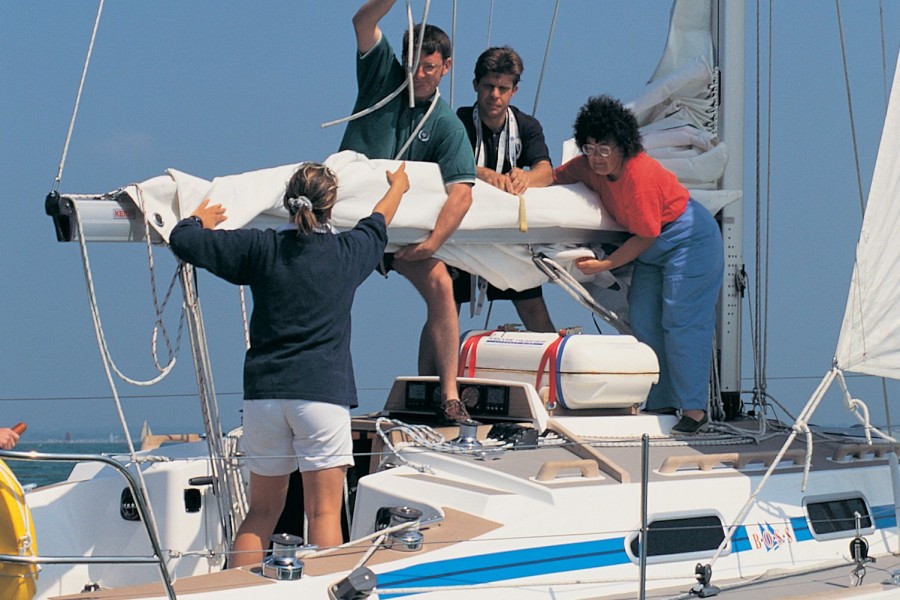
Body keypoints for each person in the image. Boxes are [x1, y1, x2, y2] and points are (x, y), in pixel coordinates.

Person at [170, 162, 410, 566]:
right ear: (331, 206)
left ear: (288, 202)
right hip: (321, 398)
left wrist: (199, 218)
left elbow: (183, 240)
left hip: (264, 397)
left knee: (261, 514)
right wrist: (399, 187)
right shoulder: (349, 253)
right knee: (323, 514)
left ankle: (238, 596)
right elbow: (379, 219)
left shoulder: (263, 248)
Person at [537, 95, 723, 434]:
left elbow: (646, 235)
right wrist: (514, 180)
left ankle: (695, 410)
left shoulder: (639, 175)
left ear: (622, 145)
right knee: (644, 322)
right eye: (590, 148)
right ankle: (661, 402)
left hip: (689, 238)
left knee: (681, 322)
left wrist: (605, 263)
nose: (596, 157)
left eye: (604, 148)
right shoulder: (588, 166)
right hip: (650, 247)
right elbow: (553, 177)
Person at [339, 0, 475, 423]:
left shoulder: (447, 123)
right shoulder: (381, 76)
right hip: (351, 225)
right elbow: (363, 20)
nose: (419, 74)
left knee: (442, 287)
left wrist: (432, 243)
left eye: (430, 67)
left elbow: (463, 193)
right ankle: (334, 392)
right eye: (414, 64)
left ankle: (449, 396)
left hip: (400, 236)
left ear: (446, 67)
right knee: (327, 289)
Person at [454, 46, 554, 332]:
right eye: (488, 86)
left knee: (534, 309)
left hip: (508, 239)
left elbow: (545, 171)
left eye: (502, 88)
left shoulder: (527, 126)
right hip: (461, 235)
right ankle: (429, 378)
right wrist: (481, 173)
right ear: (475, 85)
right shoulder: (456, 123)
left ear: (514, 91)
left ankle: (553, 375)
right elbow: (440, 165)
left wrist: (526, 178)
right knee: (444, 307)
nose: (494, 95)